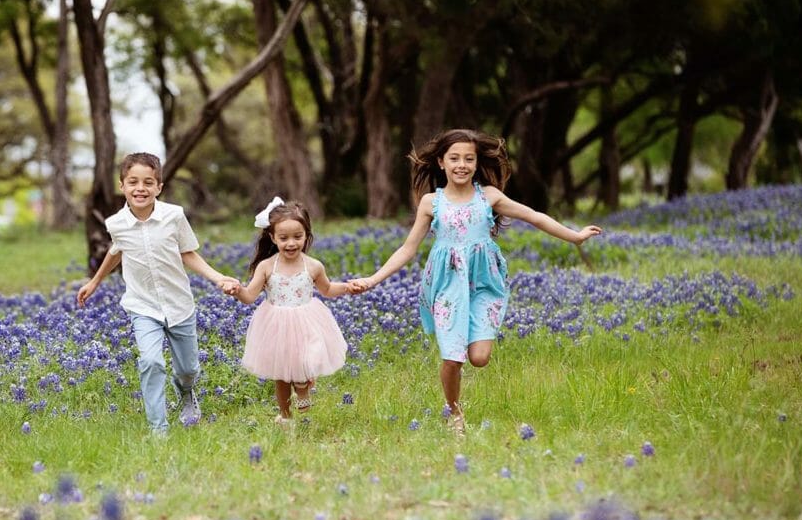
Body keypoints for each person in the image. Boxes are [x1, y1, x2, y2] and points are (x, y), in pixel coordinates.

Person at [349, 129, 602, 434]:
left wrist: (574, 236)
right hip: (446, 285)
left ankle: (458, 396)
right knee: (453, 356)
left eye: (469, 158)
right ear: (441, 162)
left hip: (484, 283)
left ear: (477, 162)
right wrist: (374, 279)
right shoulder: (431, 202)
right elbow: (408, 248)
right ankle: (454, 412)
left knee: (479, 358)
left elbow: (533, 216)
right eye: (454, 158)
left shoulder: (489, 196)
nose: (462, 164)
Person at [76, 152, 240, 435]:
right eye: (133, 182)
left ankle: (187, 393)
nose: (140, 188)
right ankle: (158, 428)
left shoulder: (174, 216)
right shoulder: (116, 223)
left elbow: (188, 253)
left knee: (188, 369)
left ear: (159, 187)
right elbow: (116, 250)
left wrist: (217, 278)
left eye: (148, 182)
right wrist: (95, 281)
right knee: (150, 361)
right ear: (122, 186)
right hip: (142, 306)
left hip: (178, 304)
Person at [227, 198, 350, 424]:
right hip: (275, 324)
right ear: (272, 238)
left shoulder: (313, 265)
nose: (291, 243)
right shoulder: (266, 267)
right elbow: (249, 296)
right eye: (283, 238)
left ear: (307, 235)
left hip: (306, 320)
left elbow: (328, 289)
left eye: (297, 237)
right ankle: (285, 416)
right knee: (281, 375)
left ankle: (303, 386)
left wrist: (348, 287)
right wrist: (236, 290)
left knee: (306, 359)